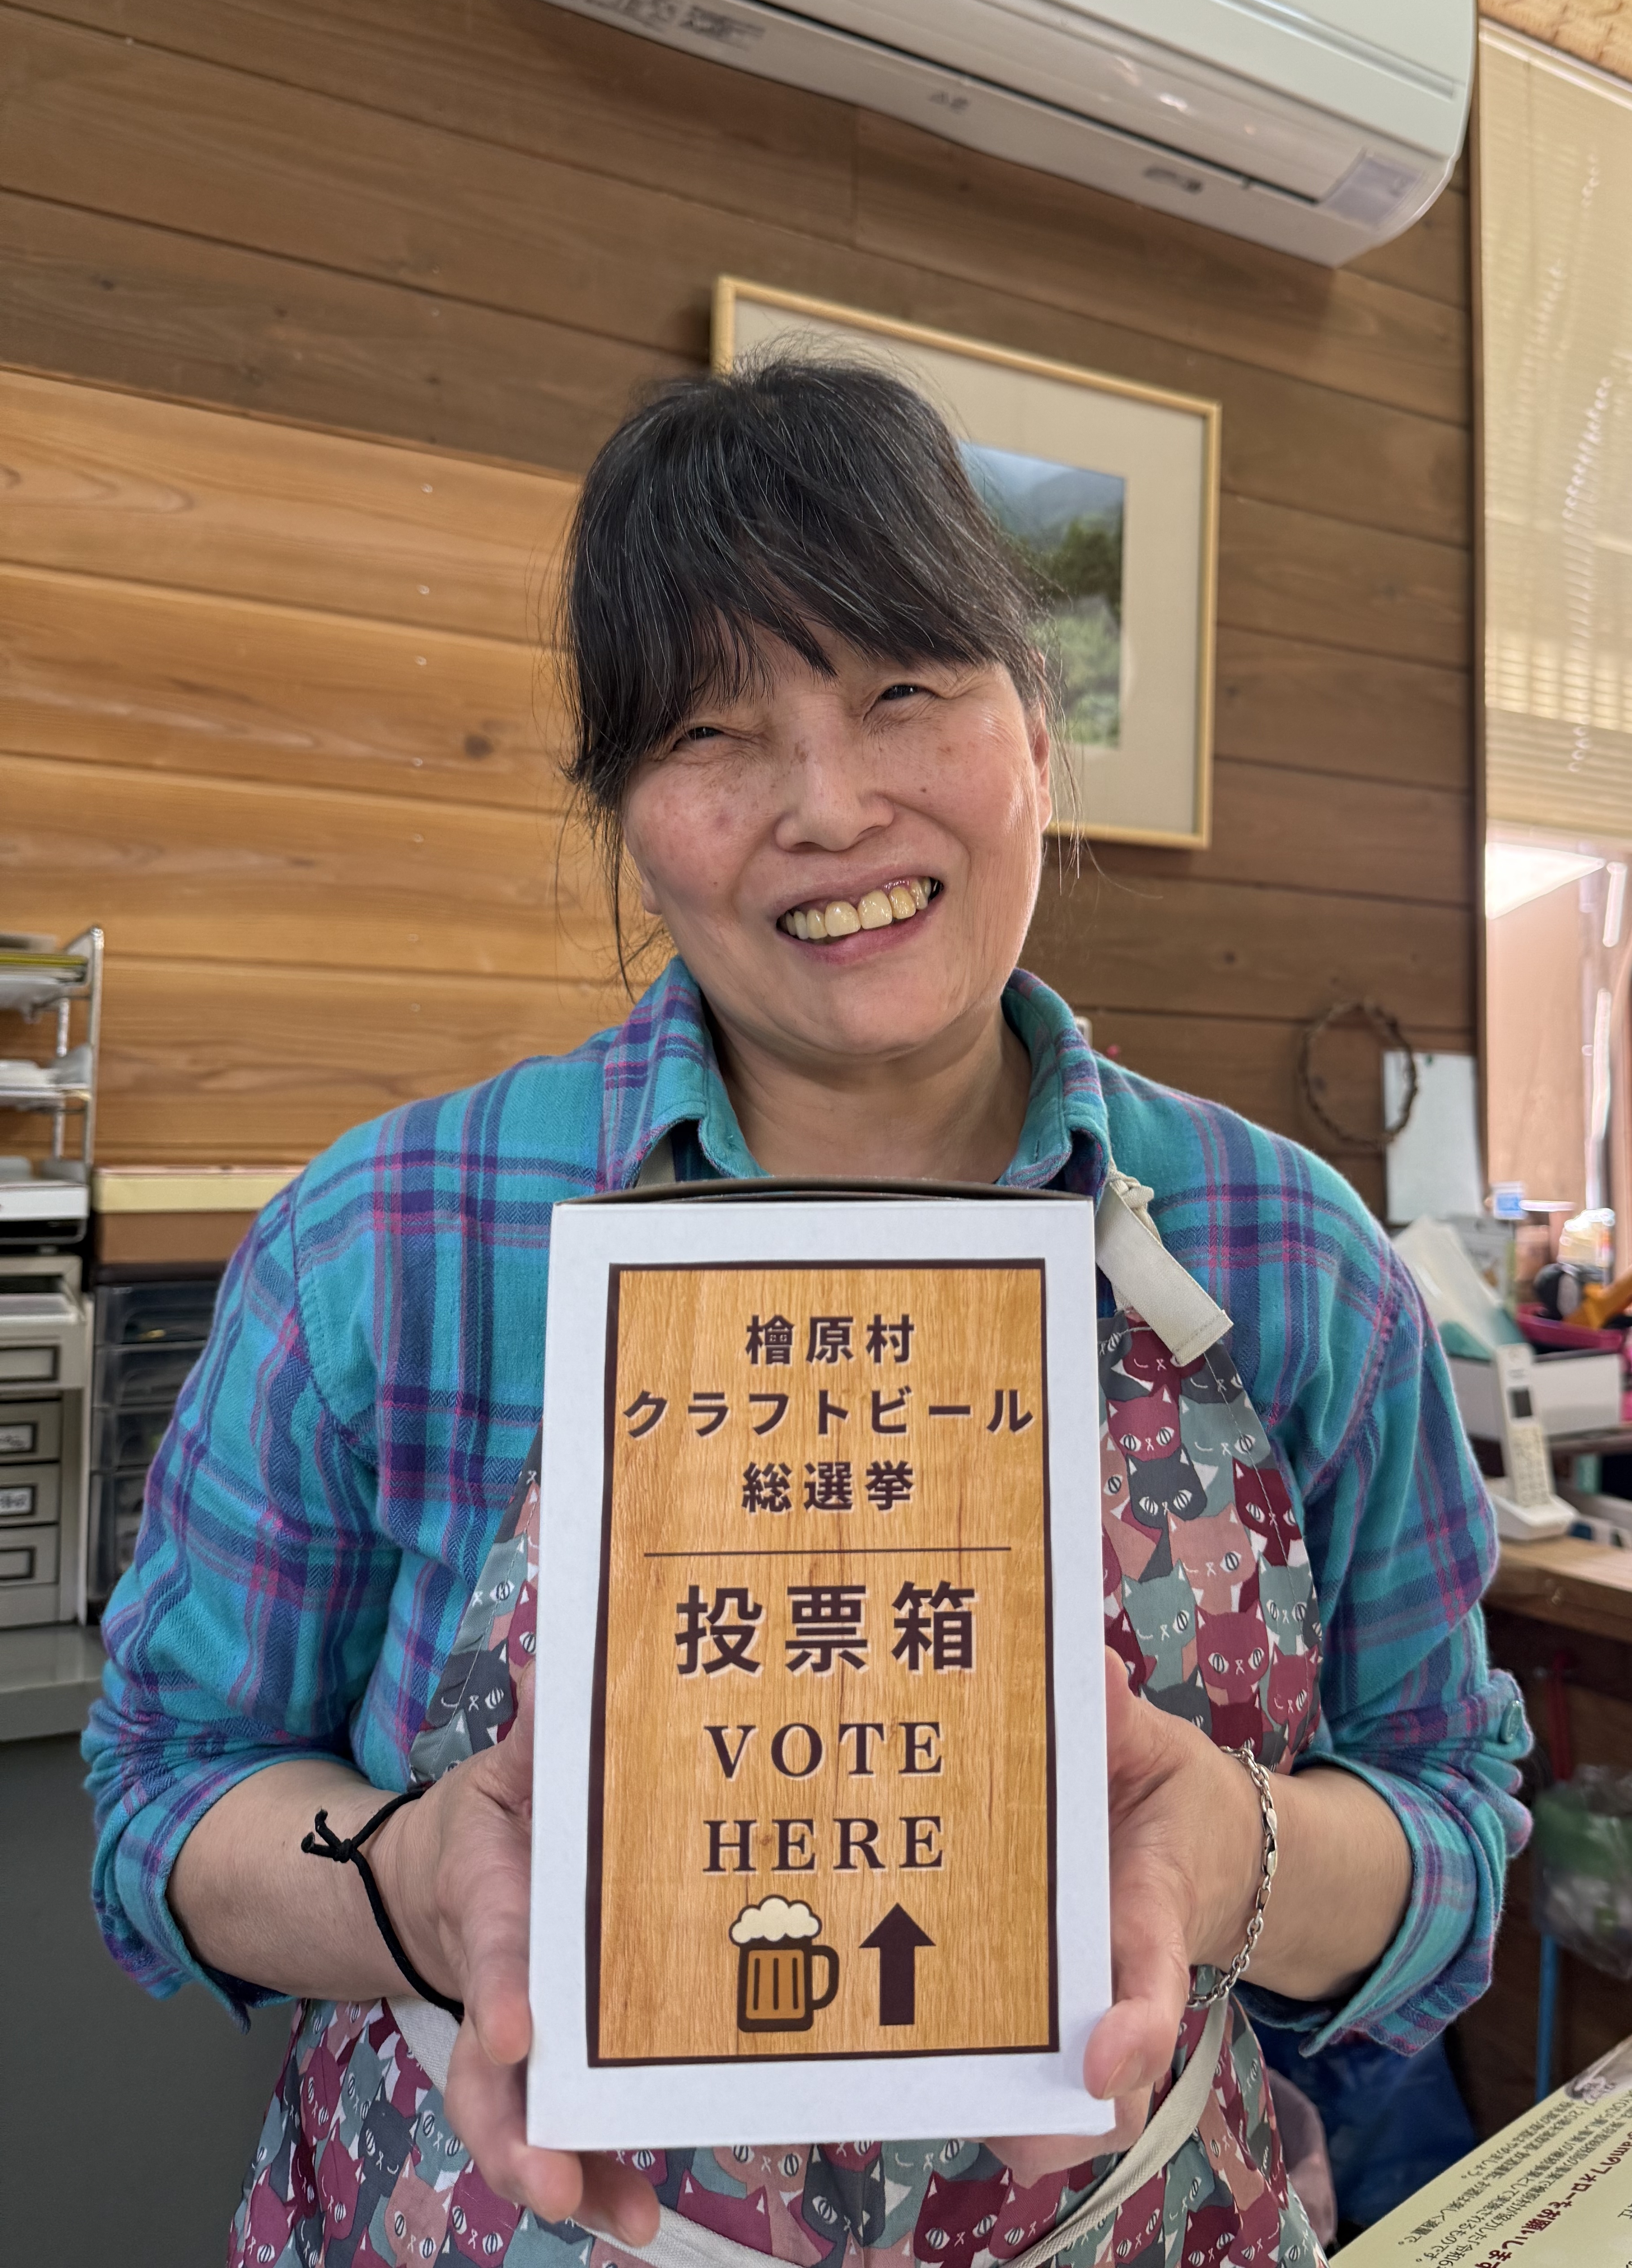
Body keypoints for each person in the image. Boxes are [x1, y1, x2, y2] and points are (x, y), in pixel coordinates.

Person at [86, 356, 1529, 2268]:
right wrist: (423, 1882)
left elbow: (1451, 1808)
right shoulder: (391, 1238)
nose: (830, 806)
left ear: (1037, 728)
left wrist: (1236, 1854)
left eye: (904, 692)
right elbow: (165, 1793)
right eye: (714, 733)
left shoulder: (1292, 1253)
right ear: (625, 810)